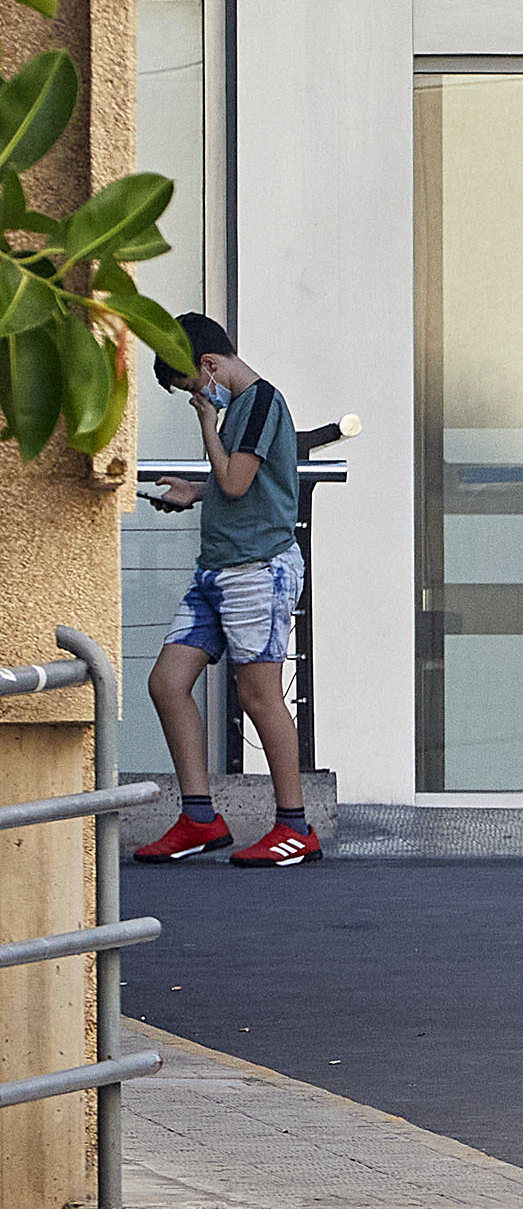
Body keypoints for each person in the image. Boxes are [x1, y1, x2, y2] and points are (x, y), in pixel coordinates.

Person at [131, 316, 318, 868]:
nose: (198, 396)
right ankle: (200, 819)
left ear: (208, 366)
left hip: (257, 571)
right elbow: (237, 486)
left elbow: (237, 480)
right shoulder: (243, 408)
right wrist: (194, 491)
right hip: (217, 570)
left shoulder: (257, 403)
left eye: (193, 386)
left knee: (260, 696)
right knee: (167, 683)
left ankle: (294, 827)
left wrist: (206, 423)